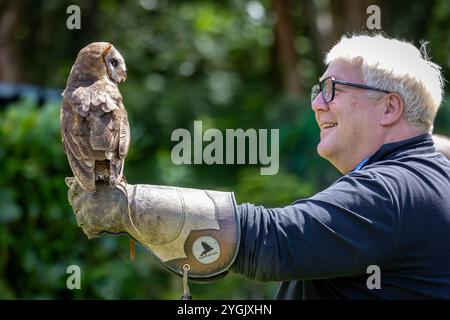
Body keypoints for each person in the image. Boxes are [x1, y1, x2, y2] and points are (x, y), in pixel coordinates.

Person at [67, 34, 450, 299]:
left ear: (389, 108)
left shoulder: (391, 190)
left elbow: (271, 240)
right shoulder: (429, 176)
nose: (317, 104)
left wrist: (129, 205)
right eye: (318, 90)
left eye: (333, 89)